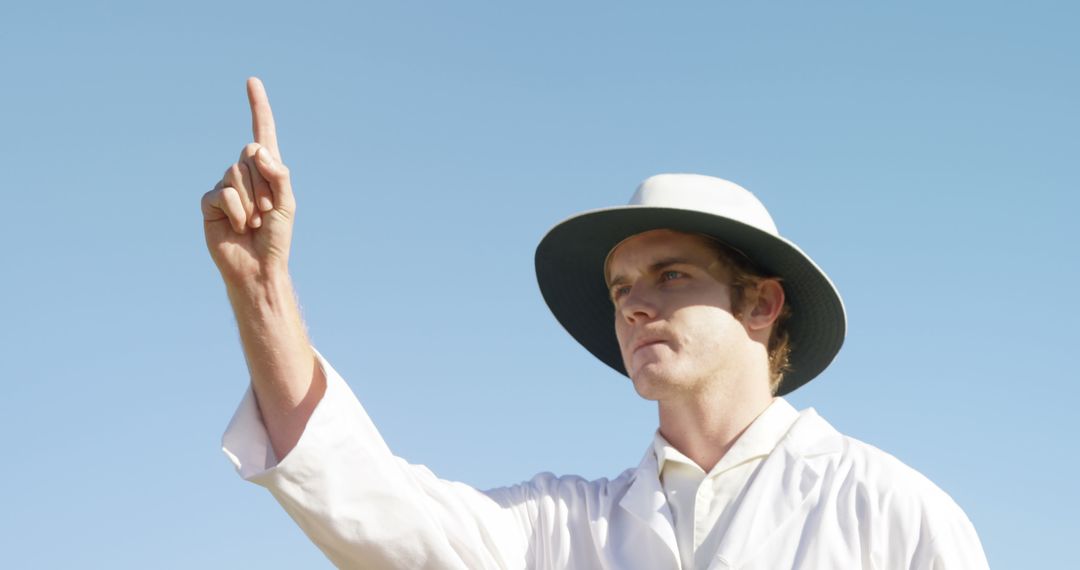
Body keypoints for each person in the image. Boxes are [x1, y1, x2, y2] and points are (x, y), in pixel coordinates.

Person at [205, 78, 989, 569]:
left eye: (670, 275)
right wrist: (260, 285)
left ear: (761, 303)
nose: (633, 304)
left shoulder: (890, 511)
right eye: (620, 289)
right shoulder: (563, 531)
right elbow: (373, 507)